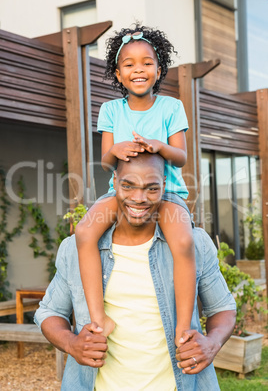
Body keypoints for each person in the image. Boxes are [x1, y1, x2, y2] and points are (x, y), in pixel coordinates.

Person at [34, 152, 236, 391]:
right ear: (115, 181)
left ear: (164, 186)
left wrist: (211, 343)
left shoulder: (195, 243)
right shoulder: (75, 248)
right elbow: (50, 312)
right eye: (128, 186)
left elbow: (223, 309)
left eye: (151, 189)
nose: (138, 199)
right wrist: (72, 343)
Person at [75, 25, 196, 346]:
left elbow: (181, 157)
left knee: (183, 242)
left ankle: (183, 327)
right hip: (122, 194)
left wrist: (159, 146)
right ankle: (98, 316)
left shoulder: (171, 107)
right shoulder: (111, 110)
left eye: (146, 63)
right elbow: (105, 161)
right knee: (85, 233)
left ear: (159, 70)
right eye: (129, 64)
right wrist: (114, 151)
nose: (138, 69)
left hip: (166, 194)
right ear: (118, 72)